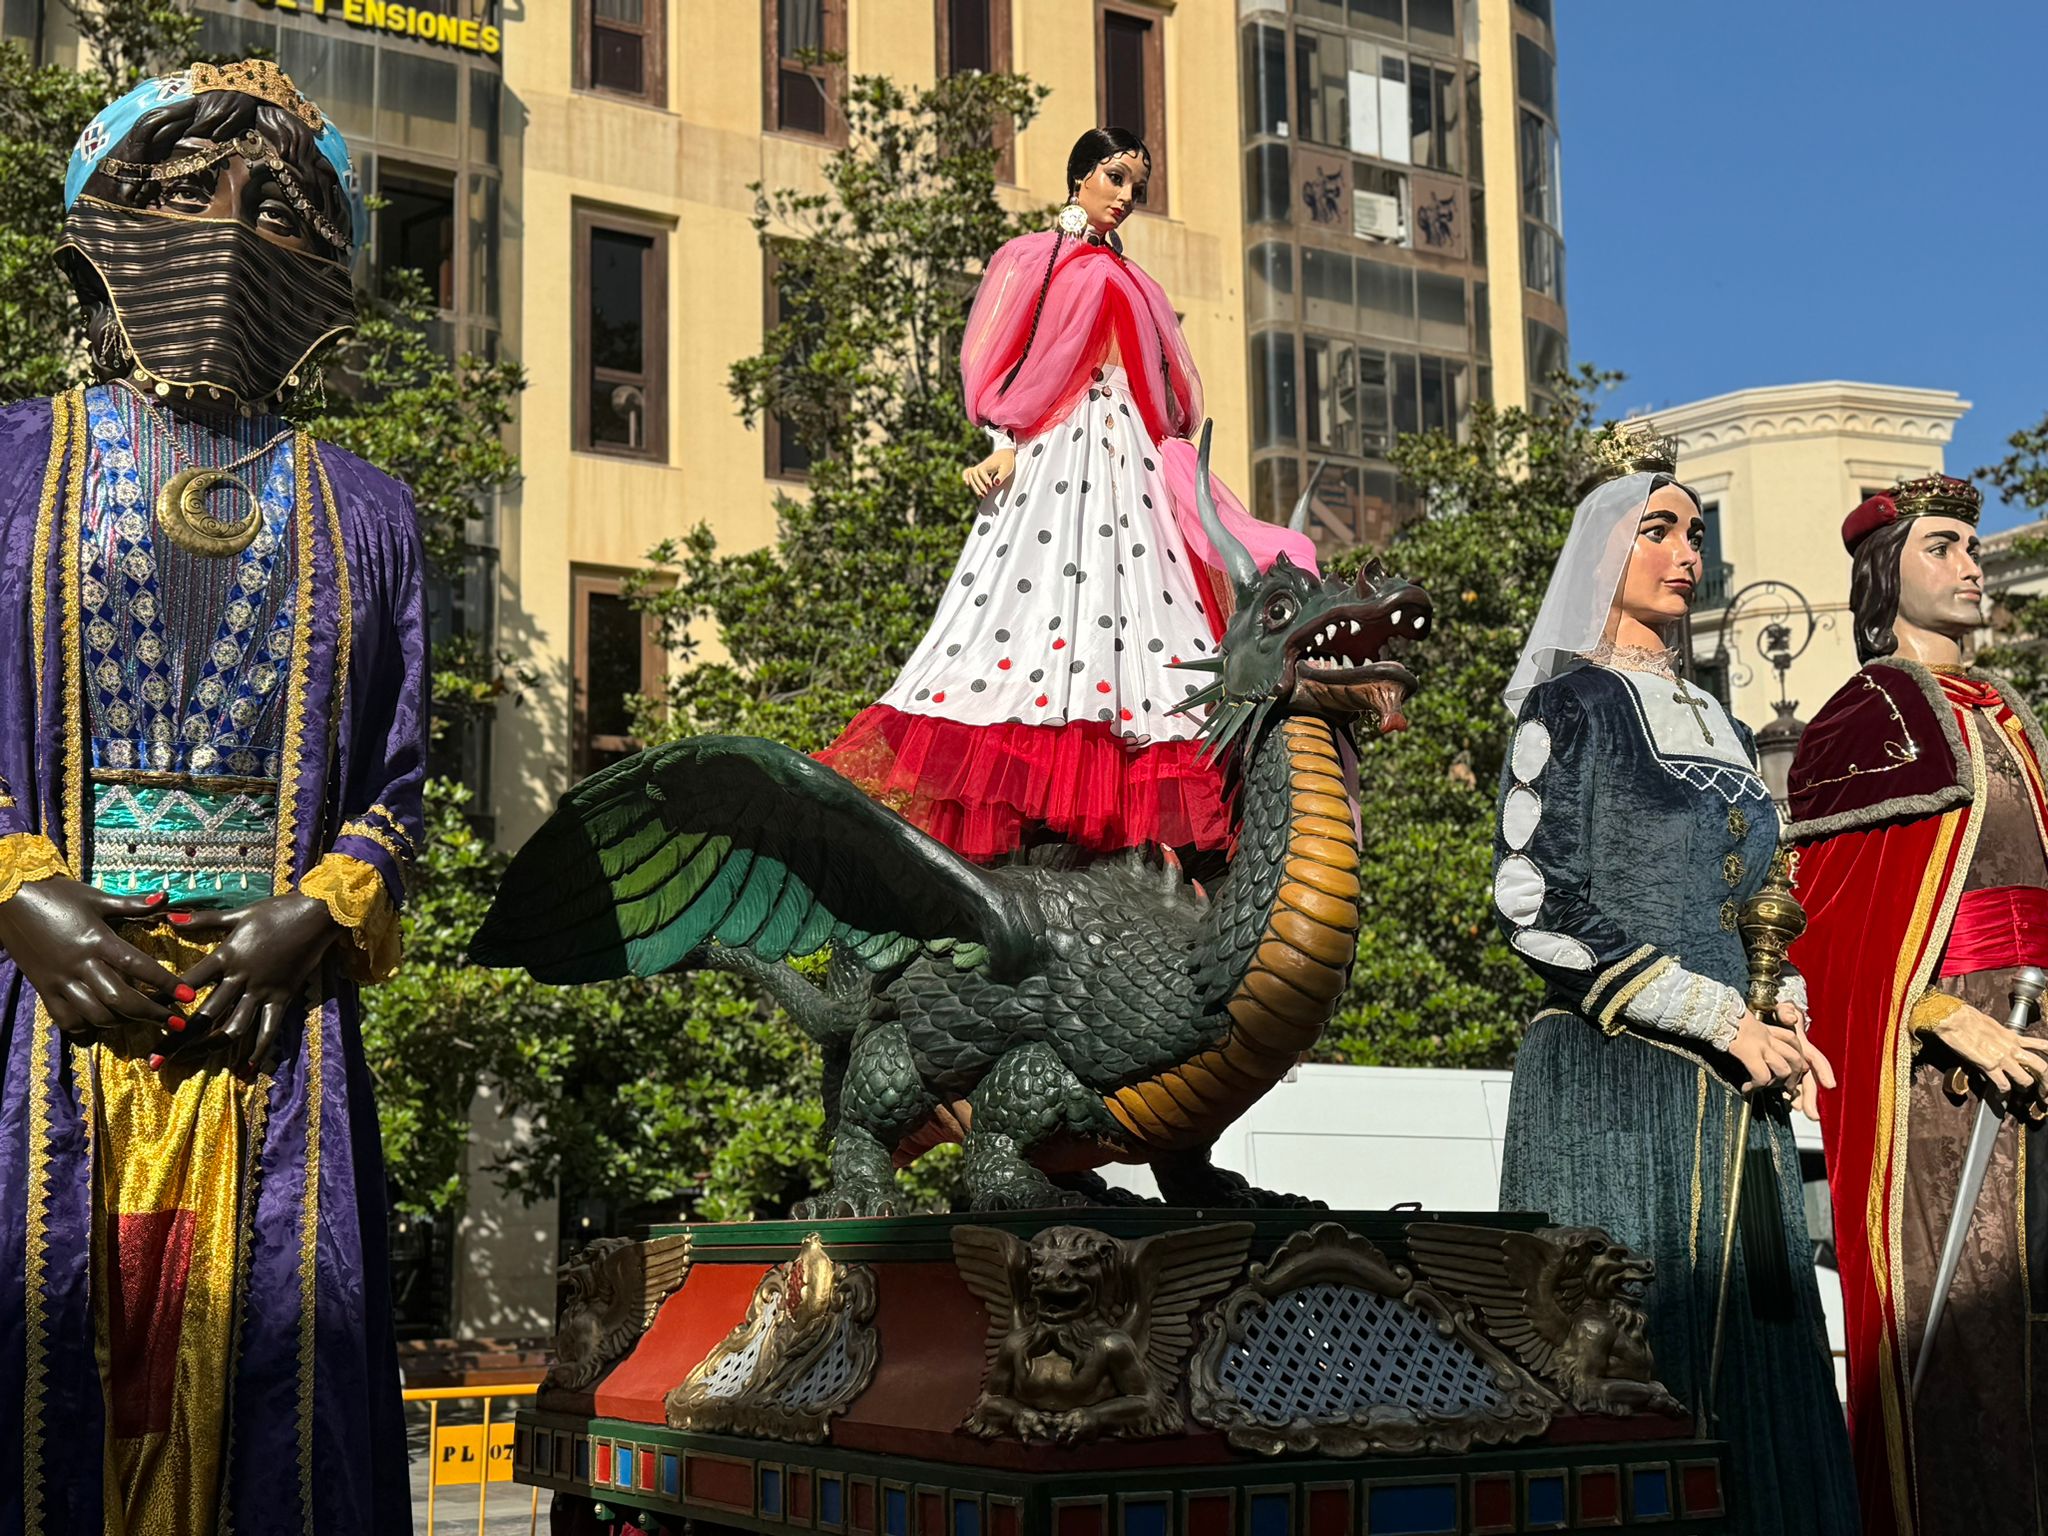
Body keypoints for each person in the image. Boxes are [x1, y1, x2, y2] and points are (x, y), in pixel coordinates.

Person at [0, 61, 422, 1531]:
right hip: (45, 1015)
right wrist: (23, 891)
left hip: (271, 1025)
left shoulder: (367, 509)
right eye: (189, 195)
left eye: (286, 212)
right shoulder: (6, 463)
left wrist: (316, 913)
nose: (235, 233)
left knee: (273, 1397)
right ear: (97, 227)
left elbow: (397, 784)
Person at [1491, 427, 1857, 1534]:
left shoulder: (1731, 729)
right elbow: (1530, 901)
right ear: (1603, 552)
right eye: (1656, 531)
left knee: (1758, 1369)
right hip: (1613, 1094)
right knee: (1630, 1372)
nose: (1684, 554)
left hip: (1729, 1098)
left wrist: (1777, 1003)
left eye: (1693, 533)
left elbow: (1758, 899)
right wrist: (1710, 1014)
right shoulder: (1571, 710)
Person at [817, 126, 1318, 861]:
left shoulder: (1141, 283)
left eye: (1136, 187)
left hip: (1130, 464)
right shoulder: (1033, 259)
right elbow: (996, 354)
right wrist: (1000, 442)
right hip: (1055, 452)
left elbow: (1172, 395)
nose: (1125, 196)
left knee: (1137, 622)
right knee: (1033, 615)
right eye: (1114, 177)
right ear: (1080, 174)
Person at [1786, 475, 2048, 1536]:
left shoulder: (2006, 713)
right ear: (1882, 573)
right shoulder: (1868, 716)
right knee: (1958, 1338)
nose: (1969, 563)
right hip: (1941, 1081)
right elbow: (1835, 927)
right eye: (1939, 546)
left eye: (1971, 546)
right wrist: (1946, 1017)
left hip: (2036, 1035)